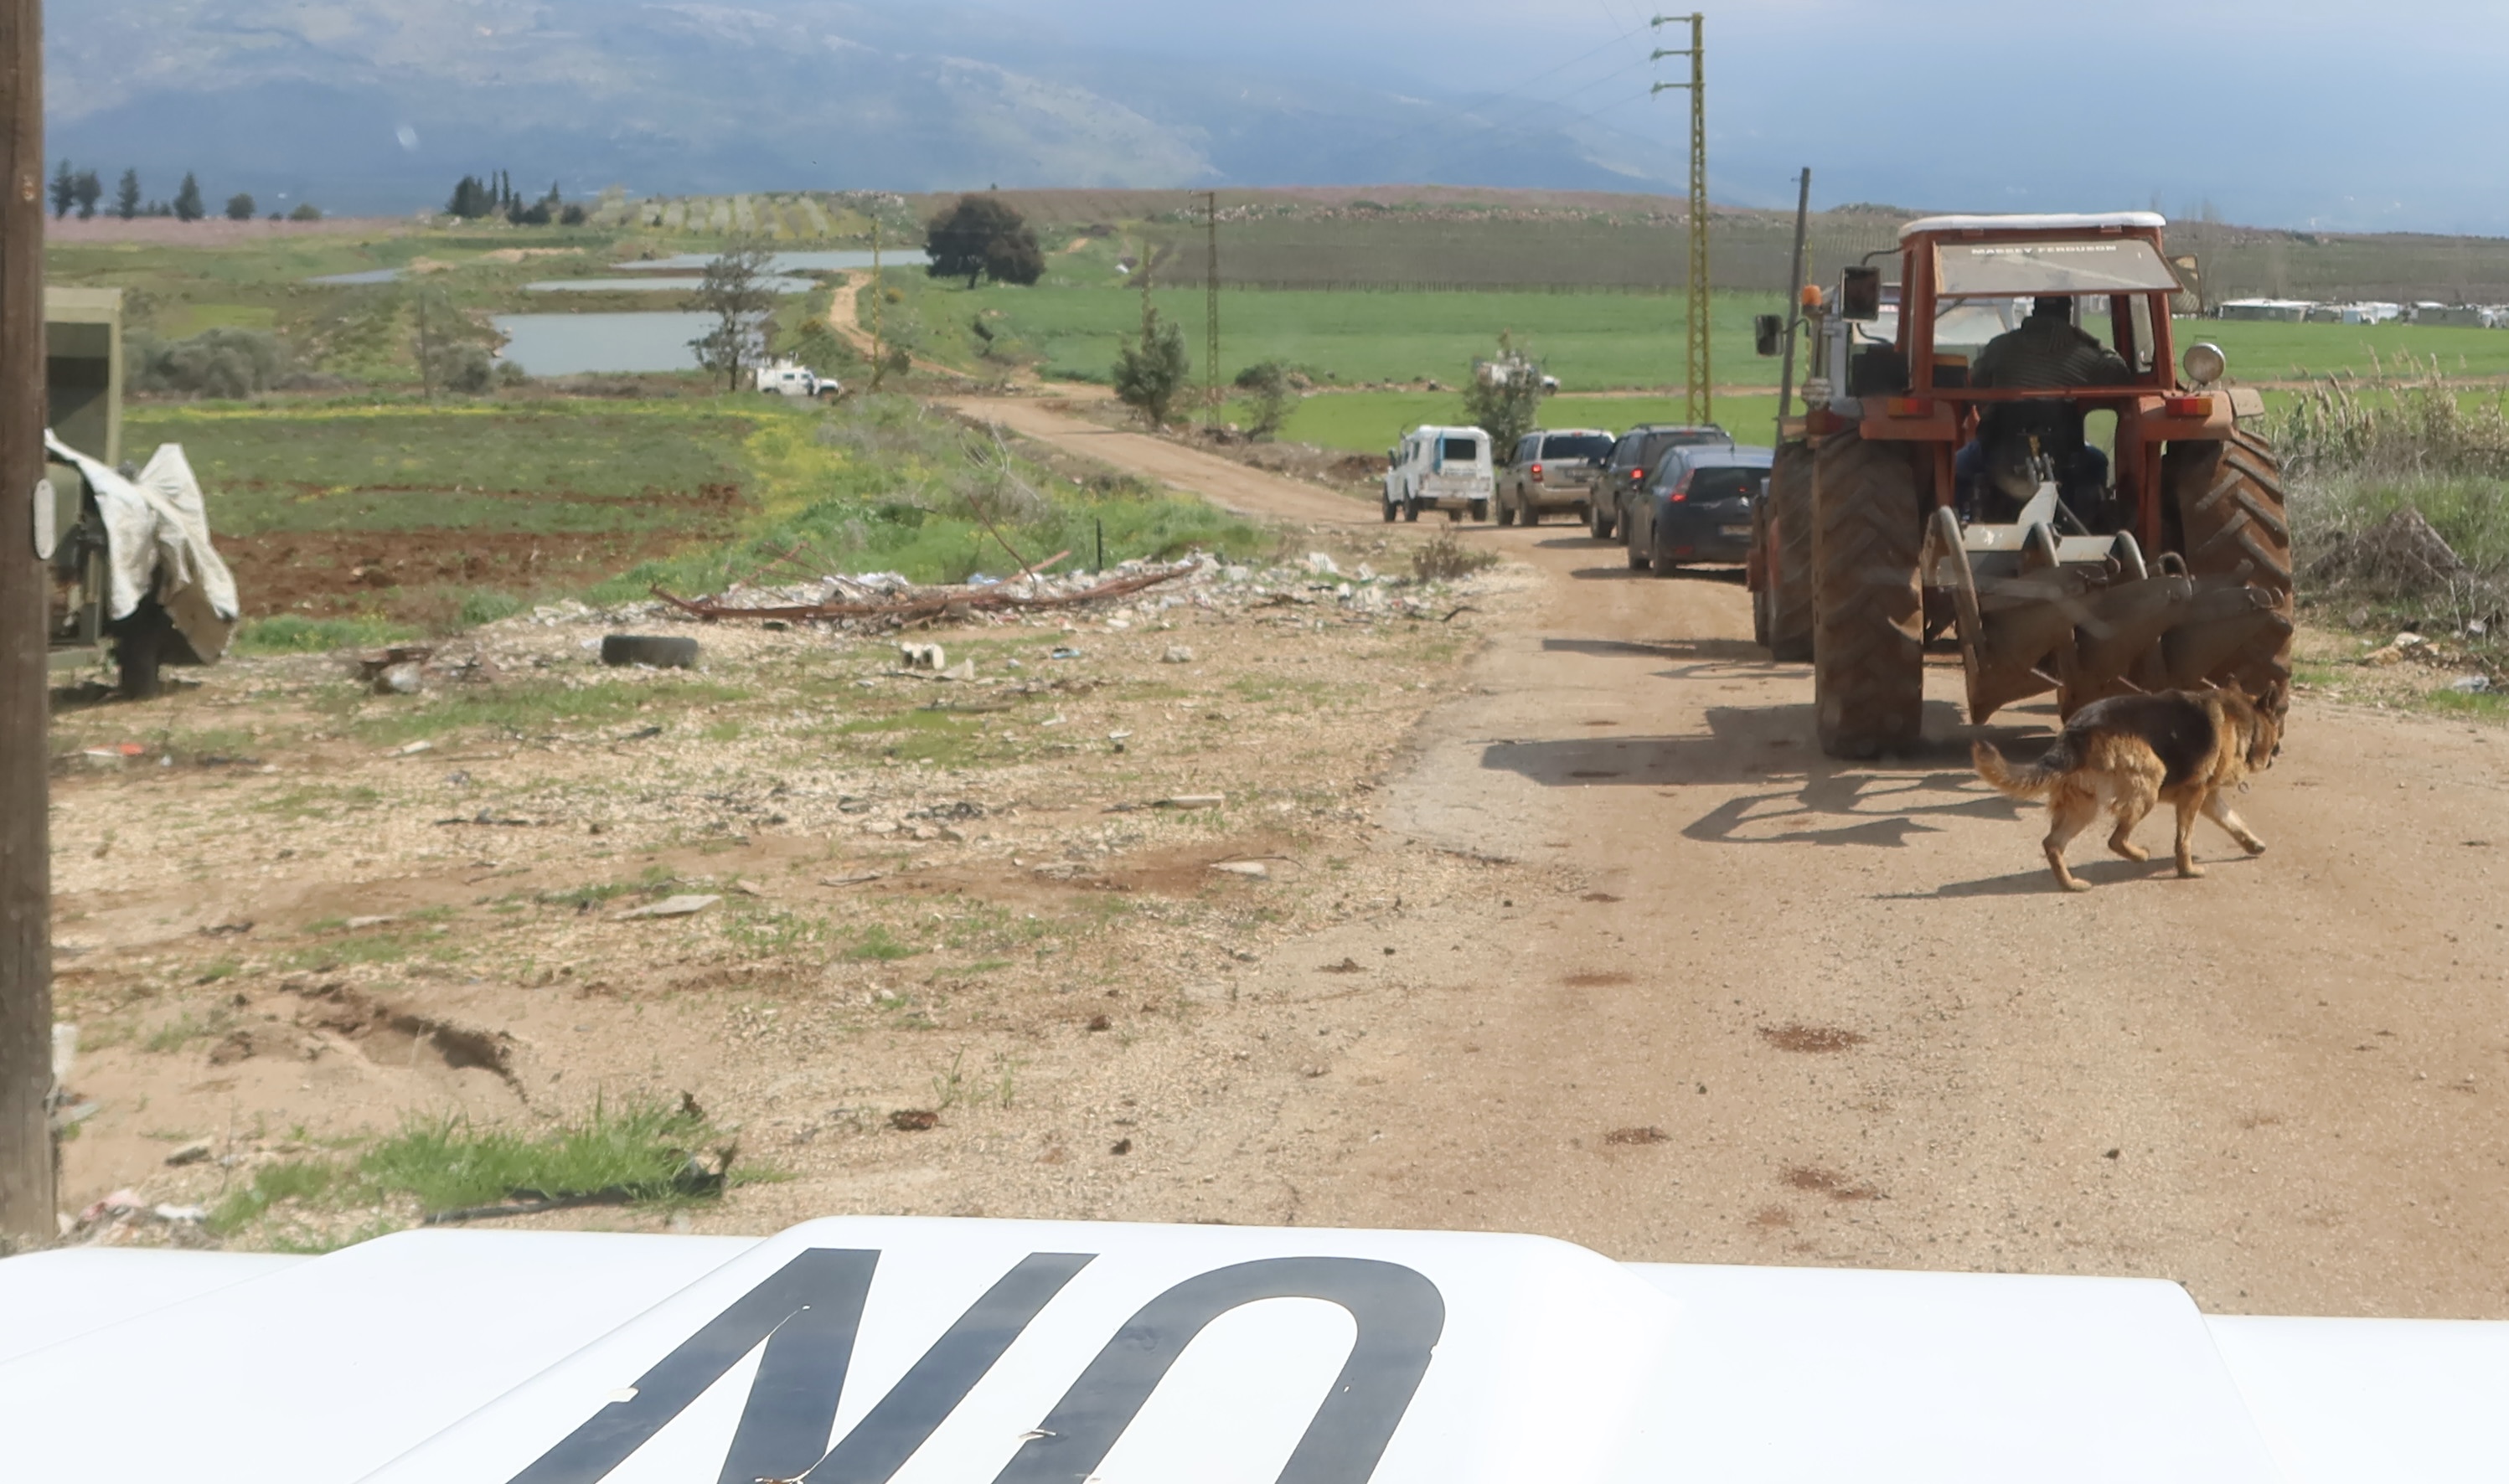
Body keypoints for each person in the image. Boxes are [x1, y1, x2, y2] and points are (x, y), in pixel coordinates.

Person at [1965, 296, 2129, 527]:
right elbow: (2121, 375)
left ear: (2035, 310)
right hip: (2066, 461)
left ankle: (1957, 521)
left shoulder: (1999, 347)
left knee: (1961, 462)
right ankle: (2091, 523)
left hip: (1999, 461)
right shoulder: (2083, 353)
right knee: (2098, 462)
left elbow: (1976, 383)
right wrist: (2092, 341)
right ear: (2068, 313)